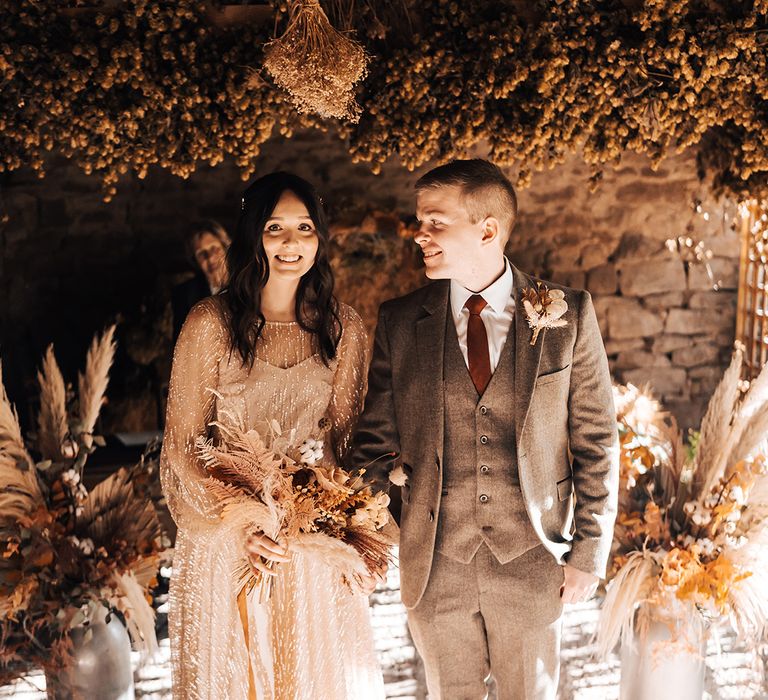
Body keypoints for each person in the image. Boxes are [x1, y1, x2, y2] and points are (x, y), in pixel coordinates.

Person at [352, 159, 619, 699]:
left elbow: (597, 442)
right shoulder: (402, 322)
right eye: (419, 221)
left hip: (533, 561)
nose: (420, 235)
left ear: (488, 229)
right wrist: (384, 530)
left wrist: (589, 555)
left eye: (435, 223)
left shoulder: (567, 317)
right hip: (434, 565)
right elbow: (375, 442)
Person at [161, 172, 384, 699]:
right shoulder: (209, 324)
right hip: (227, 545)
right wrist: (241, 523)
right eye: (275, 227)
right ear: (251, 235)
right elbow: (183, 445)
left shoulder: (343, 329)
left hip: (308, 549)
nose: (292, 243)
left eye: (305, 228)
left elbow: (345, 447)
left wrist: (343, 529)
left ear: (319, 238)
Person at [170, 219, 231, 343]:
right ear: (195, 261)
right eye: (201, 253)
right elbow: (181, 345)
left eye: (214, 248)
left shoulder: (249, 284)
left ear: (226, 248)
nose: (210, 257)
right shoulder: (183, 295)